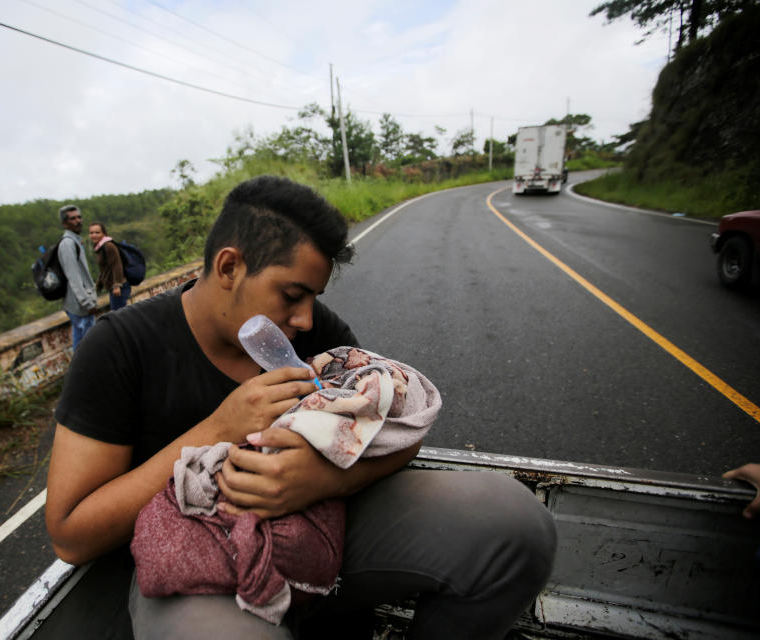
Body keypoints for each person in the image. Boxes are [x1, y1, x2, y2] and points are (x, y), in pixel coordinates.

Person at [46, 176, 557, 639]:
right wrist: (218, 428)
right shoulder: (121, 348)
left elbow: (400, 429)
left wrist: (325, 480)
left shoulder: (311, 334)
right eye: (292, 294)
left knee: (514, 526)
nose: (308, 318)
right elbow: (71, 534)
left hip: (323, 528)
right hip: (200, 560)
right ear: (229, 266)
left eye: (314, 296)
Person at [57, 204, 97, 350]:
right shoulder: (67, 244)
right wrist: (87, 303)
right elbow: (73, 277)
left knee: (80, 343)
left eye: (79, 217)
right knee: (88, 346)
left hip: (79, 304)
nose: (78, 221)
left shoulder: (75, 241)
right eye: (73, 218)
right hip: (79, 305)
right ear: (65, 223)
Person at [87, 221, 129, 311]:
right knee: (118, 314)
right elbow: (104, 270)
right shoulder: (100, 247)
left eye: (97, 232)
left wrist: (117, 285)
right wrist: (98, 287)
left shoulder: (108, 246)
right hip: (112, 287)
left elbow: (116, 265)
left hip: (119, 288)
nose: (94, 235)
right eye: (91, 233)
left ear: (104, 233)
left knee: (118, 315)